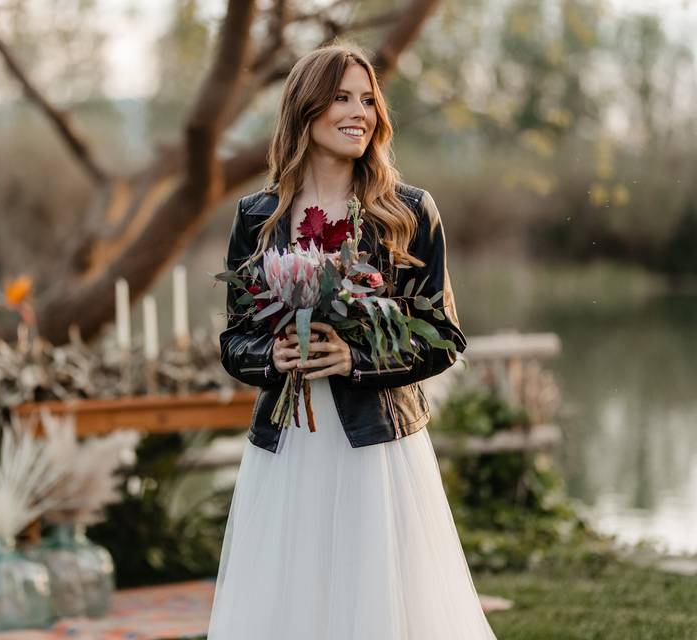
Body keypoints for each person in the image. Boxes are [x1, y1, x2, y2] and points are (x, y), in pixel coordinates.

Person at [207, 41, 499, 640]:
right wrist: (273, 355)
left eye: (368, 100)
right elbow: (235, 338)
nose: (359, 112)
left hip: (378, 446)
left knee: (381, 606)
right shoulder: (258, 216)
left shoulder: (410, 212)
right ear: (305, 111)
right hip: (288, 449)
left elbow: (444, 337)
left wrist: (354, 358)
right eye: (341, 97)